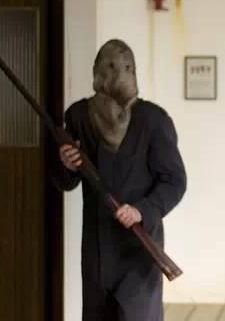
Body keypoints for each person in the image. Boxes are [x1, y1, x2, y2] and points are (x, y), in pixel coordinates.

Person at [55, 39, 186, 321]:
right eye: (112, 67)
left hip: (140, 249)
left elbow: (174, 180)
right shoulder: (79, 116)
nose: (120, 74)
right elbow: (64, 181)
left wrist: (142, 210)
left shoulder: (153, 119)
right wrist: (66, 164)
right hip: (97, 250)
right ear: (98, 71)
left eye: (127, 67)